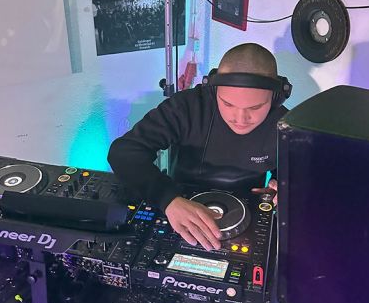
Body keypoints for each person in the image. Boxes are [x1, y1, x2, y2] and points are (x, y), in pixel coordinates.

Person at [108, 43, 290, 251]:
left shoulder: (285, 125)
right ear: (213, 90)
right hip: (178, 203)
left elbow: (295, 175)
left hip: (246, 218)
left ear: (276, 98)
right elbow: (123, 152)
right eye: (228, 104)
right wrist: (168, 199)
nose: (240, 118)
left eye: (255, 107)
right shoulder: (186, 107)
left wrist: (285, 187)